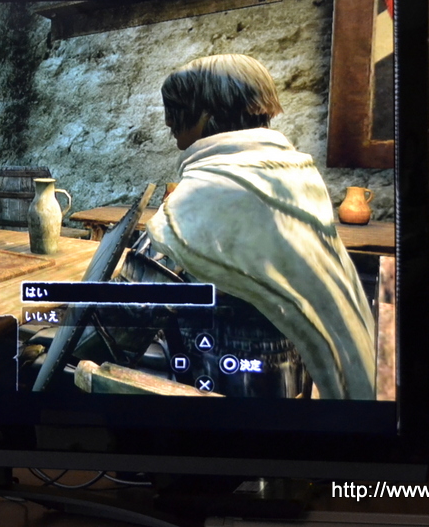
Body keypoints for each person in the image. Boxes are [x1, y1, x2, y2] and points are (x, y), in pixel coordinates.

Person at [145, 54, 377, 400]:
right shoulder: (292, 169)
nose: (167, 121)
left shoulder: (209, 188)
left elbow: (146, 286)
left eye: (175, 108)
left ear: (207, 113)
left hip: (226, 376)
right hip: (299, 364)